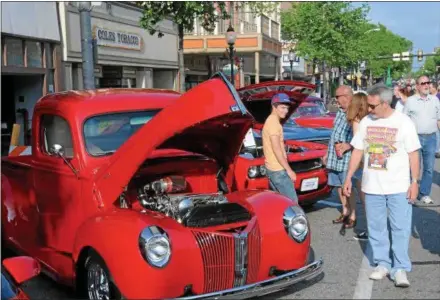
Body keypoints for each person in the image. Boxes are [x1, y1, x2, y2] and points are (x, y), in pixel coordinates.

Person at [343, 83, 420, 288]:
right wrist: (349, 177)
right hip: (372, 186)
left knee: (400, 228)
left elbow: (413, 154)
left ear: (385, 104)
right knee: (376, 228)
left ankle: (400, 268)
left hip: (399, 187)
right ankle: (382, 263)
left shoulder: (404, 122)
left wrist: (414, 182)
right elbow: (358, 150)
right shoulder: (367, 121)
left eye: (372, 105)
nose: (368, 109)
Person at [323, 85, 356, 228]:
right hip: (334, 155)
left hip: (346, 156)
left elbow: (360, 137)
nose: (336, 100)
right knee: (337, 185)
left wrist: (349, 145)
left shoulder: (355, 113)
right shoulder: (339, 112)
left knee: (347, 187)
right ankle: (345, 211)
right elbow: (334, 134)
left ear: (347, 96)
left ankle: (353, 214)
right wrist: (327, 153)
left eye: (337, 97)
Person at [403, 75, 440, 204]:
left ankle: (424, 194)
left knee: (429, 168)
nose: (426, 85)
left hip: (431, 138)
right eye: (423, 83)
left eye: (428, 82)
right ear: (417, 86)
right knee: (413, 167)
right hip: (415, 138)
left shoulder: (435, 100)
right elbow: (404, 120)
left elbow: (439, 119)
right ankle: (410, 192)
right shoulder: (411, 101)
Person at [262, 93, 298, 203]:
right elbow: (276, 149)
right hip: (278, 170)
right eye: (282, 107)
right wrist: (289, 170)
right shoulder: (273, 123)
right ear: (274, 106)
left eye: (287, 108)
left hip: (272, 168)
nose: (286, 111)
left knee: (281, 203)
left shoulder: (271, 121)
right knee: (292, 203)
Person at [346, 91, 370, 240]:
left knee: (365, 199)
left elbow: (357, 144)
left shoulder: (356, 120)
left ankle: (370, 231)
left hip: (361, 162)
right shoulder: (369, 118)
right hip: (371, 159)